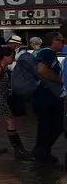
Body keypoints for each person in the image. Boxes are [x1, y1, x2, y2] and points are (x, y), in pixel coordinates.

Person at [31, 32, 64, 163]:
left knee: (47, 125)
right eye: (60, 40)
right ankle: (42, 151)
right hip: (46, 96)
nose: (62, 43)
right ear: (53, 41)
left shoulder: (49, 54)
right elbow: (41, 69)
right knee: (53, 125)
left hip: (46, 96)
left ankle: (42, 151)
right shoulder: (47, 53)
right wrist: (59, 81)